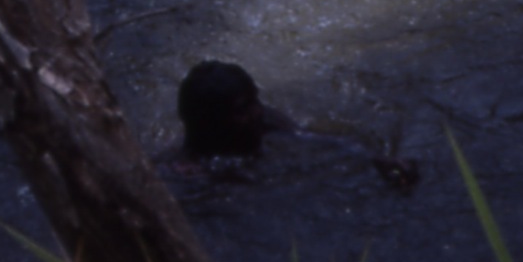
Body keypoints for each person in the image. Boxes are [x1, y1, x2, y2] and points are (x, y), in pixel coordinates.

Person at [176, 58, 418, 190]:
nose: (257, 112)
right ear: (211, 121)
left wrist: (376, 159)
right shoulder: (188, 167)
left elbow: (315, 139)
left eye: (255, 100)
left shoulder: (264, 119)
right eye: (243, 110)